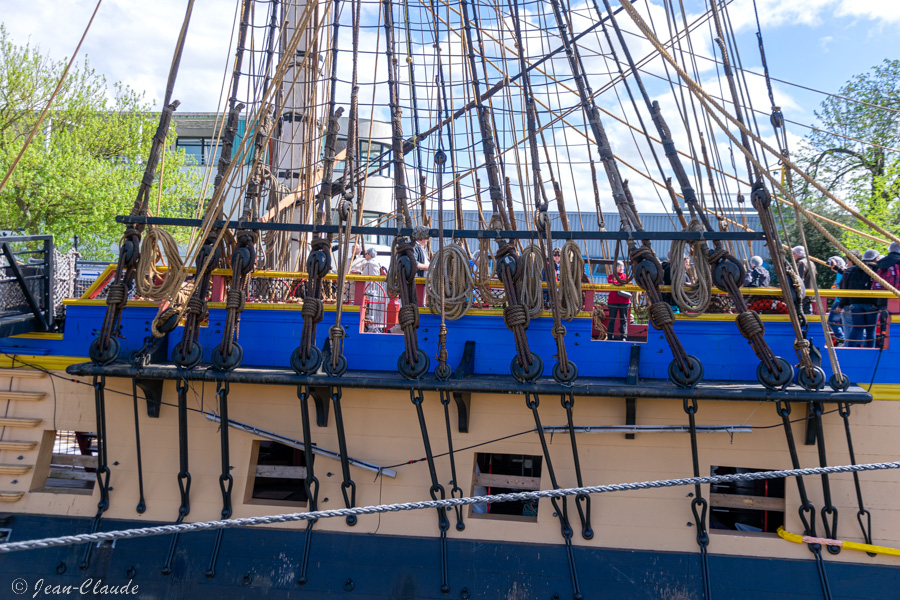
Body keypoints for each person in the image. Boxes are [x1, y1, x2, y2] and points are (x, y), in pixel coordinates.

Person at [839, 249, 877, 347]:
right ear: (875, 258)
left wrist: (844, 302)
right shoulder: (876, 268)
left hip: (855, 302)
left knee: (857, 328)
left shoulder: (854, 269)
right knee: (870, 329)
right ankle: (869, 351)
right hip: (871, 302)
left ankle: (850, 349)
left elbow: (847, 286)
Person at [606, 260, 631, 341]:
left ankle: (624, 336)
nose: (621, 268)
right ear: (615, 267)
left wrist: (617, 283)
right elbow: (611, 282)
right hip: (613, 301)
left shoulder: (626, 276)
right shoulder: (611, 276)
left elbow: (630, 284)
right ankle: (610, 336)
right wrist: (622, 283)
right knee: (611, 319)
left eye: (622, 266)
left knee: (624, 319)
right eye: (619, 266)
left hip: (624, 301)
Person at [826, 256, 846, 344]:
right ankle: (843, 339)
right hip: (839, 299)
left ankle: (841, 338)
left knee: (831, 321)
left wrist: (836, 289)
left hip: (840, 300)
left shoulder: (843, 272)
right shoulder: (839, 273)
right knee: (841, 322)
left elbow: (842, 286)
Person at [792, 246, 816, 314]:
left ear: (799, 253)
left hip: (802, 294)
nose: (792, 255)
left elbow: (799, 279)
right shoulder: (811, 263)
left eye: (793, 253)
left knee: (800, 313)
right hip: (810, 293)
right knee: (807, 313)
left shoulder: (801, 263)